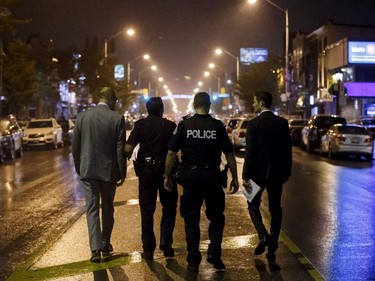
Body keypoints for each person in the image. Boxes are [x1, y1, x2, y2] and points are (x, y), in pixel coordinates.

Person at [164, 92, 239, 273]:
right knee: (217, 217)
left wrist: (167, 175)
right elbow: (229, 153)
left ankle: (193, 260)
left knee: (191, 220)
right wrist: (235, 177)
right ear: (209, 105)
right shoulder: (217, 126)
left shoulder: (184, 125)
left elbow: (171, 153)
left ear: (194, 105)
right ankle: (214, 254)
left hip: (191, 178)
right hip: (212, 177)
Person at [72, 87, 126, 263]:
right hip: (109, 172)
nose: (115, 103)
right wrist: (122, 172)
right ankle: (105, 243)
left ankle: (95, 249)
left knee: (92, 209)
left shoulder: (82, 117)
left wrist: (80, 168)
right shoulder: (117, 119)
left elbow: (75, 148)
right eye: (115, 100)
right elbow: (119, 150)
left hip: (88, 170)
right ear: (110, 99)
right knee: (108, 208)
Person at [125, 97, 178, 261]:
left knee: (147, 210)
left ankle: (148, 249)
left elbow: (128, 149)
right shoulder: (170, 126)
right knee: (169, 206)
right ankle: (166, 241)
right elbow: (176, 150)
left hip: (146, 171)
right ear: (162, 109)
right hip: (166, 171)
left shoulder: (140, 125)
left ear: (148, 110)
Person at [242, 91, 292, 262]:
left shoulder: (253, 124)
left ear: (262, 103)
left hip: (255, 173)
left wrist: (245, 176)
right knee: (275, 209)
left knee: (251, 204)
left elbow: (249, 152)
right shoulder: (282, 123)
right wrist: (287, 172)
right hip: (277, 173)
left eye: (254, 101)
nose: (253, 104)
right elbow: (287, 150)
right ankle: (273, 244)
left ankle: (262, 235)